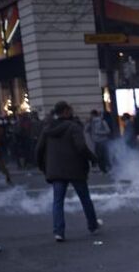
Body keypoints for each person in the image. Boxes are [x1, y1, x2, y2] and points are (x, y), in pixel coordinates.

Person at [35, 101, 100, 242]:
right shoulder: (73, 127)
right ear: (65, 111)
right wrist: (93, 159)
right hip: (75, 168)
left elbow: (38, 150)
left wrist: (43, 167)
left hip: (56, 170)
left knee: (58, 202)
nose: (72, 112)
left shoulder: (47, 129)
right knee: (85, 199)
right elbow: (81, 147)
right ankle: (93, 225)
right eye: (69, 110)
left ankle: (59, 232)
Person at [85, 109, 112, 173]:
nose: (90, 116)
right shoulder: (91, 122)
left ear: (94, 115)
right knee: (99, 156)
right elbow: (86, 130)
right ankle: (103, 169)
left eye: (91, 115)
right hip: (96, 142)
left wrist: (99, 132)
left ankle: (107, 168)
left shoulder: (102, 121)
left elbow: (108, 131)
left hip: (103, 141)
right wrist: (88, 123)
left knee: (105, 155)